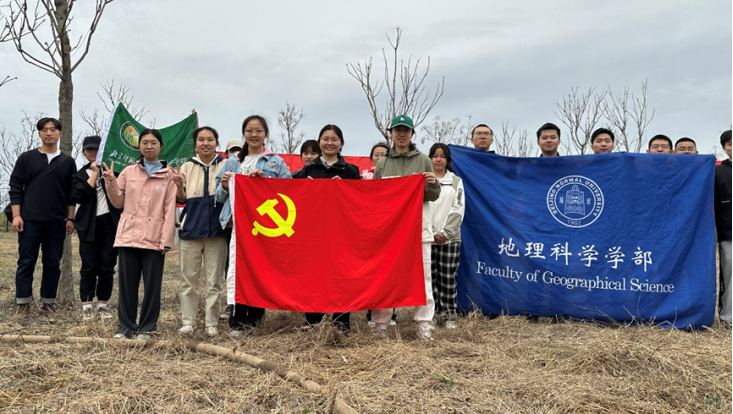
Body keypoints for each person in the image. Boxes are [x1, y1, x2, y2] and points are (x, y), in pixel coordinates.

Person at [215, 115, 292, 337]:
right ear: (244, 134)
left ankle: (256, 318)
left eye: (258, 130)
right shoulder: (232, 162)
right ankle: (236, 319)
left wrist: (264, 184)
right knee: (236, 269)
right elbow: (218, 196)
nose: (254, 135)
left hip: (263, 227)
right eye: (249, 130)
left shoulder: (276, 162)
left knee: (259, 269)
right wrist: (225, 185)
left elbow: (289, 191)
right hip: (235, 225)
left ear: (266, 134)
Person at [103, 129, 177, 339]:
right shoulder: (128, 172)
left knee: (152, 286)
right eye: (144, 142)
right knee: (127, 284)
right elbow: (118, 202)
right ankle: (126, 326)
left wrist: (166, 240)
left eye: (153, 142)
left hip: (155, 238)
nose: (149, 146)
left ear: (161, 146)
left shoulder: (169, 175)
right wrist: (111, 181)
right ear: (139, 146)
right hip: (129, 235)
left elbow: (170, 209)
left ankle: (148, 327)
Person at [372, 115, 440, 340]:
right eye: (397, 130)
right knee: (385, 276)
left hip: (419, 229)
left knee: (424, 277)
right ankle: (381, 324)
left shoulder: (424, 160)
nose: (402, 134)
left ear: (412, 134)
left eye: (406, 131)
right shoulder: (382, 164)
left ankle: (424, 324)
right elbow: (374, 197)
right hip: (389, 231)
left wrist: (432, 184)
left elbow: (433, 195)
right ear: (391, 133)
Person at [294, 124, 361, 333]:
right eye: (325, 138)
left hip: (342, 234)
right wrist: (304, 188)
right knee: (313, 275)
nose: (329, 143)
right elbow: (293, 200)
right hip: (313, 233)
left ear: (341, 144)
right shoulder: (307, 170)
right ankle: (314, 322)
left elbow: (360, 202)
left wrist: (346, 189)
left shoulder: (351, 171)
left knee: (341, 276)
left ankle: (341, 323)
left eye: (334, 139)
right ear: (319, 142)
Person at [9, 117, 77, 319]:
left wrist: (70, 219)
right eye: (44, 129)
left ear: (60, 133)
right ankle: (23, 304)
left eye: (53, 129)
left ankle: (48, 305)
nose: (49, 133)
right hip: (29, 220)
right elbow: (15, 187)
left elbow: (71, 194)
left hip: (56, 221)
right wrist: (16, 216)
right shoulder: (26, 158)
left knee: (52, 264)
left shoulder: (68, 162)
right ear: (39, 134)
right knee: (26, 262)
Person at [171, 127, 227, 337]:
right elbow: (181, 198)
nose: (205, 143)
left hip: (217, 231)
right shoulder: (187, 166)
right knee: (188, 280)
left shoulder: (225, 165)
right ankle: (188, 322)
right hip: (190, 230)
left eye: (210, 139)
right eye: (201, 139)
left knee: (214, 281)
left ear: (216, 143)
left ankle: (212, 323)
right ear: (195, 144)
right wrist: (178, 185)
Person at [70, 135, 121, 321]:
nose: (92, 152)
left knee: (107, 266)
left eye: (96, 149)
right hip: (88, 226)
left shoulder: (114, 171)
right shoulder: (80, 174)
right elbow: (79, 196)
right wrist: (94, 174)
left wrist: (106, 174)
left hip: (111, 224)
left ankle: (102, 306)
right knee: (88, 267)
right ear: (84, 152)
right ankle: (86, 307)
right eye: (89, 149)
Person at [428, 143, 465, 329]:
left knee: (448, 278)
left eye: (442, 156)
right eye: (435, 156)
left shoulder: (456, 181)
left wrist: (445, 232)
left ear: (448, 160)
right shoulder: (423, 180)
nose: (439, 159)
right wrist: (431, 232)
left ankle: (450, 315)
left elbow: (458, 208)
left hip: (450, 239)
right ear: (430, 158)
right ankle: (432, 315)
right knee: (430, 279)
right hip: (427, 237)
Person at [715, 130, 732, 329]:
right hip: (729, 231)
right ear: (724, 148)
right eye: (730, 144)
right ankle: (728, 317)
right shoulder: (717, 171)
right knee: (729, 276)